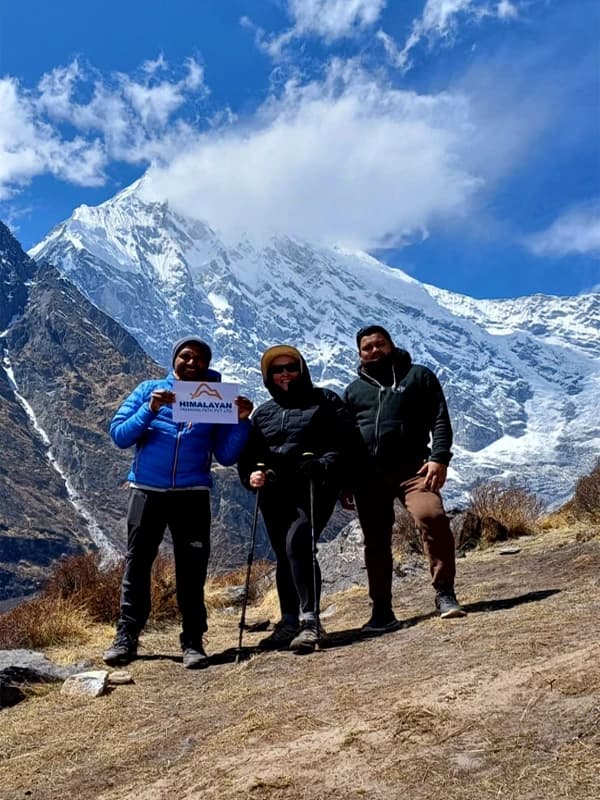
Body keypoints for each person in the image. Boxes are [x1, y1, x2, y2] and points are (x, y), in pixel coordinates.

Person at [103, 336, 253, 669]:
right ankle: (127, 636)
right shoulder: (148, 390)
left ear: (206, 365)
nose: (191, 362)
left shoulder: (217, 400)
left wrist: (242, 420)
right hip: (146, 491)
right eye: (185, 356)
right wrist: (151, 408)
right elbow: (120, 435)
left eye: (199, 359)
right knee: (137, 565)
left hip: (192, 495)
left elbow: (226, 456)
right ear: (174, 359)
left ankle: (193, 640)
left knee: (192, 570)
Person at [342, 325, 466, 634]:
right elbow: (345, 438)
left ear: (391, 345)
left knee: (432, 516)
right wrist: (344, 480)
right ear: (359, 354)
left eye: (379, 344)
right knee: (376, 542)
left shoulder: (418, 376)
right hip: (369, 476)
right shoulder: (354, 391)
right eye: (366, 347)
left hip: (414, 469)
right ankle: (382, 611)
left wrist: (439, 457)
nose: (373, 350)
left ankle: (444, 593)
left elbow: (440, 418)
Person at [238, 345, 353, 654]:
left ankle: (310, 621)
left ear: (302, 368)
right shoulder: (264, 413)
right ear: (268, 376)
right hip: (275, 492)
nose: (284, 373)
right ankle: (288, 621)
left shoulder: (325, 400)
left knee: (298, 543)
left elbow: (345, 442)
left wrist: (325, 464)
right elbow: (250, 455)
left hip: (314, 486)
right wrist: (251, 476)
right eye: (277, 369)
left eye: (290, 367)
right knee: (283, 552)